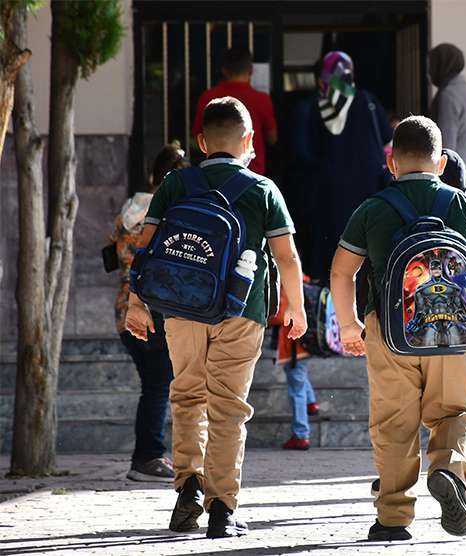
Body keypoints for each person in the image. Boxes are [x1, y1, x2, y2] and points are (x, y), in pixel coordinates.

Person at [126, 96, 307, 538]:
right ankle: (223, 507)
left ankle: (188, 486)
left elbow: (144, 248)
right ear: (249, 140)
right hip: (243, 311)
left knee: (187, 395)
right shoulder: (263, 190)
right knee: (228, 407)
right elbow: (286, 256)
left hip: (180, 308)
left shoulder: (175, 183)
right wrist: (296, 307)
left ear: (202, 142)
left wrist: (136, 303)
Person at [330, 116, 466, 542]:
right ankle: (448, 468)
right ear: (441, 162)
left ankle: (393, 517)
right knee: (456, 412)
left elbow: (341, 271)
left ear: (392, 163)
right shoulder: (461, 204)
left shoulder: (373, 208)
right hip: (458, 333)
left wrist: (350, 325)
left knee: (394, 423)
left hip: (391, 332)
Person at [113, 143, 187, 482]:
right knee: (158, 387)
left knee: (153, 387)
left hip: (123, 308)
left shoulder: (128, 210)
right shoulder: (165, 215)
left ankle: (147, 455)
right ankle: (148, 457)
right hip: (151, 310)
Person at [286, 51, 392, 283]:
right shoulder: (368, 101)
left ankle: (328, 303)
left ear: (320, 78)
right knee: (365, 265)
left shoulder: (309, 108)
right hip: (367, 196)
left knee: (328, 265)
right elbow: (387, 139)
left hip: (326, 200)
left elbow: (299, 153)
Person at [193, 47, 277, 176]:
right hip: (253, 172)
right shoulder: (262, 99)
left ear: (224, 70)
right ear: (251, 70)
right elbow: (272, 138)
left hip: (214, 173)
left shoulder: (208, 97)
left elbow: (197, 134)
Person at [429, 43, 466, 204]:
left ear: (443, 64)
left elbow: (445, 146)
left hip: (452, 177)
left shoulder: (448, 95)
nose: (429, 72)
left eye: (432, 65)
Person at [272, 281, 319, 451]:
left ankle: (301, 435)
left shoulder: (287, 284)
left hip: (293, 346)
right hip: (308, 343)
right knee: (300, 376)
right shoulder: (306, 282)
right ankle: (311, 402)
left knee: (296, 391)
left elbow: (279, 316)